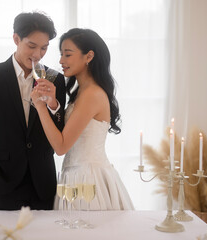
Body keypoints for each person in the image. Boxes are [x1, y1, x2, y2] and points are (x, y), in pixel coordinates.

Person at [0, 11, 66, 210]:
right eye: (32, 46)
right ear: (16, 39)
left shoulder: (55, 79)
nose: (37, 54)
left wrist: (54, 104)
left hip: (44, 183)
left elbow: (61, 133)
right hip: (4, 183)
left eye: (44, 48)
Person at [31, 28, 134, 210]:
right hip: (75, 175)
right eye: (61, 54)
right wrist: (52, 104)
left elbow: (61, 146)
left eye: (68, 54)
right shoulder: (81, 92)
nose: (61, 61)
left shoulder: (92, 94)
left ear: (89, 56)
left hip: (87, 179)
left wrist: (40, 107)